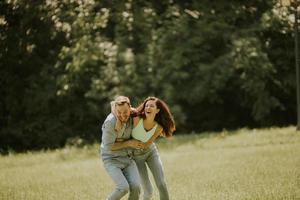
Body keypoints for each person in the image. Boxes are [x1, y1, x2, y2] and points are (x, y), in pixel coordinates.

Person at [115, 96, 176, 200]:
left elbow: (148, 143)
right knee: (148, 190)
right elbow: (117, 107)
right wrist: (118, 120)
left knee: (161, 183)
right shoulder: (136, 119)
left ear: (157, 110)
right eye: (146, 105)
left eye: (152, 106)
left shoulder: (158, 127)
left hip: (151, 153)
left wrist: (143, 145)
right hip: (136, 157)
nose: (148, 107)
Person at [100, 96, 144, 200]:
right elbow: (109, 147)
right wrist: (128, 143)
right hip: (111, 159)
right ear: (115, 110)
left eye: (125, 112)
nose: (122, 115)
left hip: (127, 158)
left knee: (136, 187)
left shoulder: (133, 115)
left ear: (130, 108)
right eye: (119, 112)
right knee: (123, 188)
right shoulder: (110, 122)